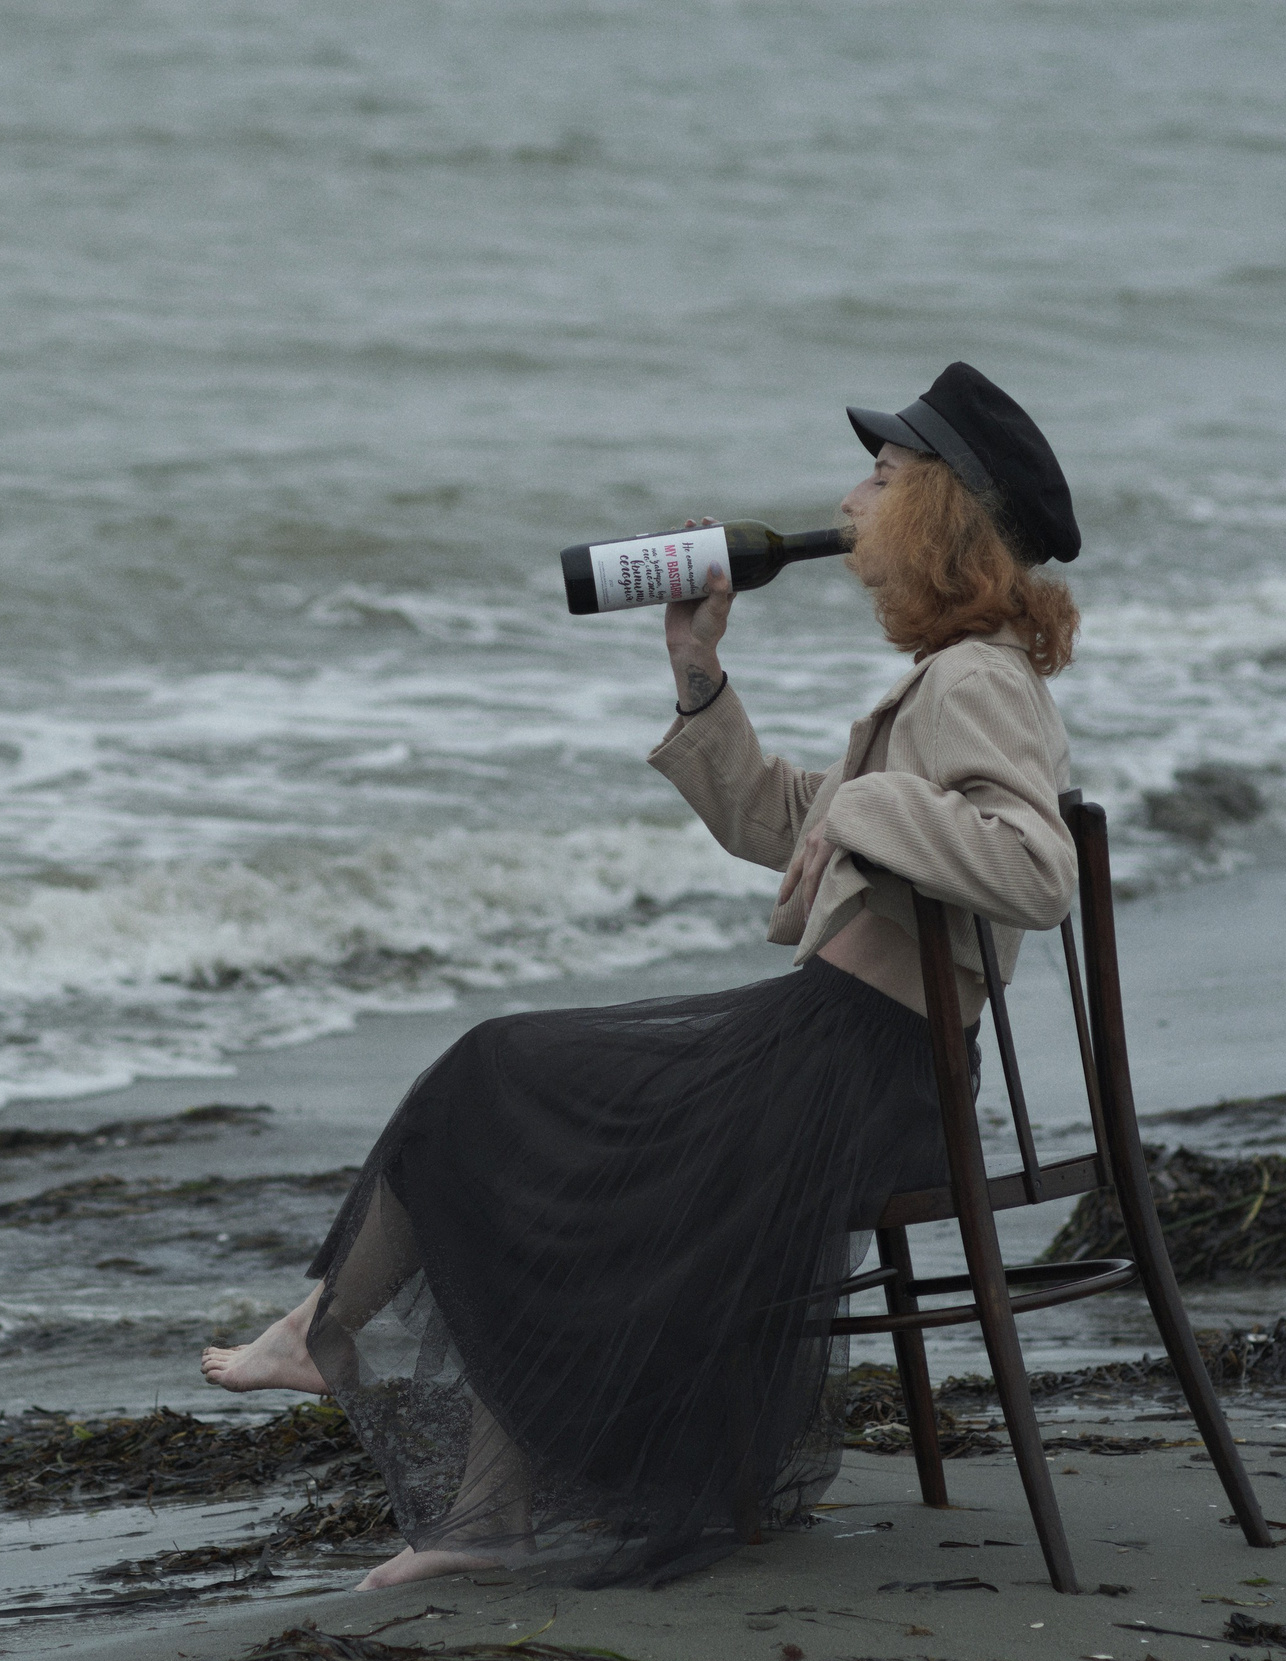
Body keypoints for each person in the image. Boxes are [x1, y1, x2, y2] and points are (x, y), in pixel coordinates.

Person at [201, 363, 1086, 1590]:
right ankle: (475, 1504)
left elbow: (1034, 867)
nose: (850, 498)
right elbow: (792, 822)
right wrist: (698, 674)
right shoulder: (952, 677)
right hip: (842, 1056)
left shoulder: (976, 679)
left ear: (936, 513)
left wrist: (874, 803)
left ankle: (329, 1335)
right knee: (526, 1117)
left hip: (858, 1073)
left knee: (498, 1078)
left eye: (880, 479)